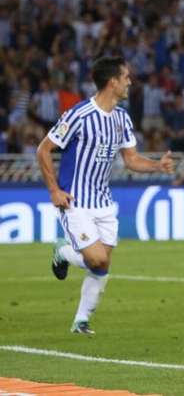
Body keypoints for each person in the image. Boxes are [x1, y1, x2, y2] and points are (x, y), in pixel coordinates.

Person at [39, 56, 175, 334]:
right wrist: (54, 190)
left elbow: (131, 159)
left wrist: (157, 166)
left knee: (101, 265)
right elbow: (43, 149)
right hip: (75, 201)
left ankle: (81, 321)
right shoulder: (79, 115)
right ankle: (63, 251)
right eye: (126, 77)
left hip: (103, 202)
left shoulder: (122, 118)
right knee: (97, 258)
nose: (130, 81)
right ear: (112, 81)